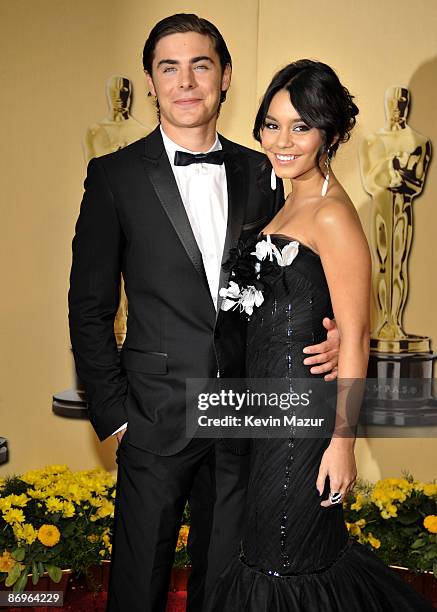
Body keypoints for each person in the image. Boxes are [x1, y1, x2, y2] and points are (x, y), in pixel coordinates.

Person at [68, 15, 340, 612]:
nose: (186, 81)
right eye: (170, 67)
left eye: (201, 65)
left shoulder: (267, 171)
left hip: (243, 420)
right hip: (151, 418)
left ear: (225, 78)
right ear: (151, 81)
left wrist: (339, 332)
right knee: (136, 589)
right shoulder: (113, 177)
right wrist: (115, 418)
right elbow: (88, 309)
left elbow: (306, 267)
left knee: (225, 591)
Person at [205, 60, 433, 611]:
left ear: (330, 134)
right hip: (268, 418)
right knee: (277, 556)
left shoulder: (332, 214)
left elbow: (354, 338)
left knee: (284, 564)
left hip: (303, 432)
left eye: (300, 127)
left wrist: (342, 442)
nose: (282, 141)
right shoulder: (285, 201)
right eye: (272, 123)